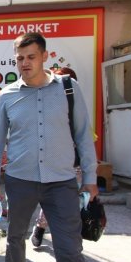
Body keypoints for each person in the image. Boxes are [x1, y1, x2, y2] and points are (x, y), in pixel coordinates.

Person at [0, 32, 114, 262]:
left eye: (30, 56)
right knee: (15, 236)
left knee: (71, 252)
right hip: (20, 180)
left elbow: (84, 135)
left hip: (61, 184)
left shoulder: (68, 90)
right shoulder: (7, 96)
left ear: (44, 56)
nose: (24, 63)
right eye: (19, 58)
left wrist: (90, 177)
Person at [31, 67, 78, 248]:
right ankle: (40, 228)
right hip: (49, 160)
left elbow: (84, 133)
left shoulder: (74, 100)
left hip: (73, 162)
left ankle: (69, 238)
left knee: (70, 203)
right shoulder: (41, 101)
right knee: (50, 199)